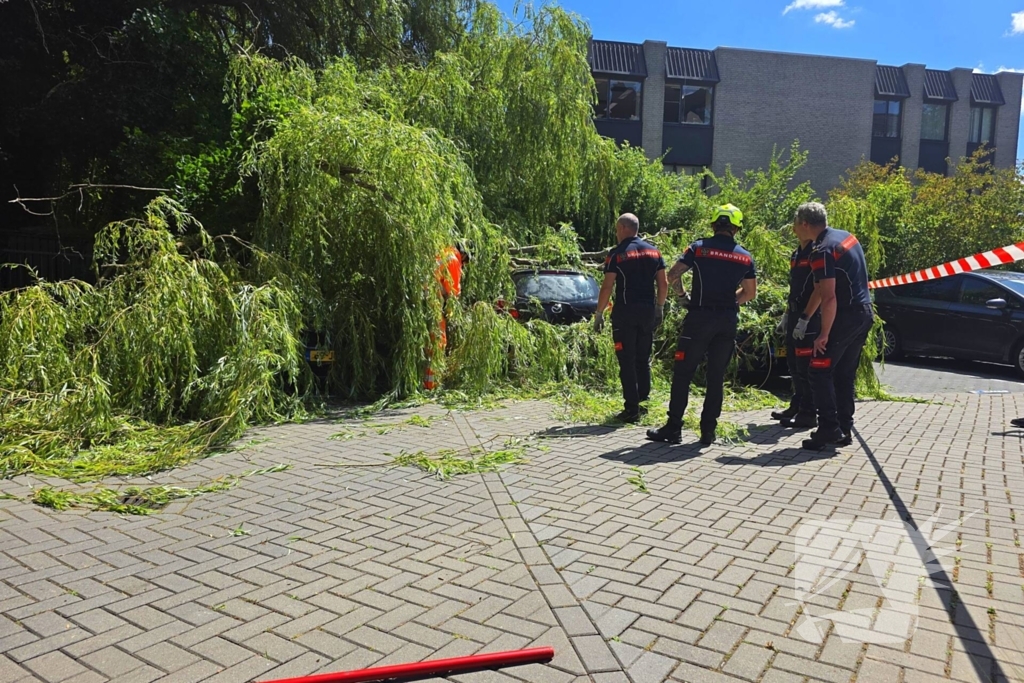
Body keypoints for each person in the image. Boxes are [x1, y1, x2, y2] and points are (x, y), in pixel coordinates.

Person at [647, 204, 757, 446]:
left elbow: (672, 275)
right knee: (716, 377)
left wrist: (682, 296)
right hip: (727, 321)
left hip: (699, 318)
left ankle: (674, 427)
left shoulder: (698, 248)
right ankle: (708, 432)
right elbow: (750, 293)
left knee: (683, 373)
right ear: (736, 228)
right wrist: (730, 302)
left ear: (714, 224)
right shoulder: (745, 256)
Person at [792, 202, 873, 450]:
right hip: (863, 313)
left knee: (818, 370)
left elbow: (829, 297)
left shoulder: (822, 251)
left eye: (796, 224)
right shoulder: (845, 237)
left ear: (805, 224)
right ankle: (844, 429)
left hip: (845, 317)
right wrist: (805, 317)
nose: (794, 229)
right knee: (843, 374)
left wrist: (824, 334)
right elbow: (821, 289)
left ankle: (828, 428)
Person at [594, 213, 668, 423]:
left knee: (626, 360)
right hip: (647, 312)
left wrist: (599, 313)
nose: (616, 234)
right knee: (643, 359)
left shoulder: (616, 254)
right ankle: (643, 403)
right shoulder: (654, 252)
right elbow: (663, 284)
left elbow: (607, 286)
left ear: (623, 228)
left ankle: (631, 409)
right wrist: (659, 307)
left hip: (625, 313)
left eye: (617, 229)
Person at [770, 236, 822, 429]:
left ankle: (809, 413)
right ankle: (797, 405)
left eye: (797, 223)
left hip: (809, 316)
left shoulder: (816, 253)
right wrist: (786, 315)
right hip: (794, 313)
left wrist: (805, 319)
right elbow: (795, 288)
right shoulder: (796, 254)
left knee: (804, 366)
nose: (794, 227)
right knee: (793, 363)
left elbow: (819, 289)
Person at [425, 242, 470, 390]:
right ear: (463, 254)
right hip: (434, 303)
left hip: (421, 302)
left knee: (425, 342)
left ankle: (420, 383)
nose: (463, 266)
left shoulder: (439, 253)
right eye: (465, 262)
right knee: (438, 343)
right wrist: (451, 311)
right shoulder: (454, 259)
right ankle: (432, 385)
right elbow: (453, 291)